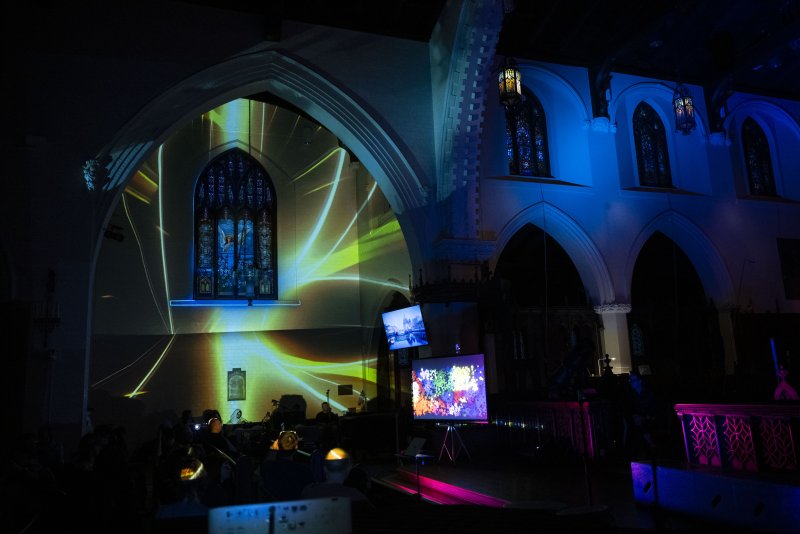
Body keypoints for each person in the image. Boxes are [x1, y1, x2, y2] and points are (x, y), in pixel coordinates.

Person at [623, 371, 659, 459]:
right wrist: (634, 415)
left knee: (640, 425)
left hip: (650, 417)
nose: (631, 382)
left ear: (640, 381)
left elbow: (653, 409)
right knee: (635, 424)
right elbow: (630, 409)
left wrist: (643, 416)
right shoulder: (631, 394)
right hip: (637, 419)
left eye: (633, 380)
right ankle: (650, 446)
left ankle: (642, 450)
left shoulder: (648, 393)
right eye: (630, 380)